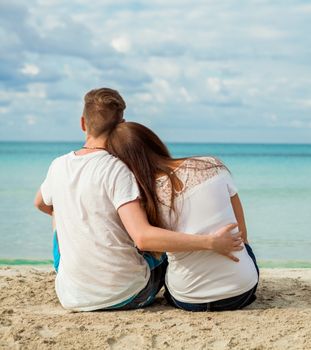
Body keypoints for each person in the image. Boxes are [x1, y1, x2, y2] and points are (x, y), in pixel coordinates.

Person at [34, 88, 243, 312]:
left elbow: (41, 203)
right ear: (121, 124)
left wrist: (77, 221)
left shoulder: (58, 165)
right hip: (128, 295)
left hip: (71, 295)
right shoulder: (118, 169)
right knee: (158, 250)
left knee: (58, 212)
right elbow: (143, 238)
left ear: (83, 123)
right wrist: (210, 243)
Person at [107, 122, 259, 312]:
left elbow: (151, 248)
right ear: (154, 141)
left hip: (189, 299)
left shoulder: (145, 198)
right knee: (246, 250)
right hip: (240, 293)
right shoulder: (212, 165)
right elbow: (242, 235)